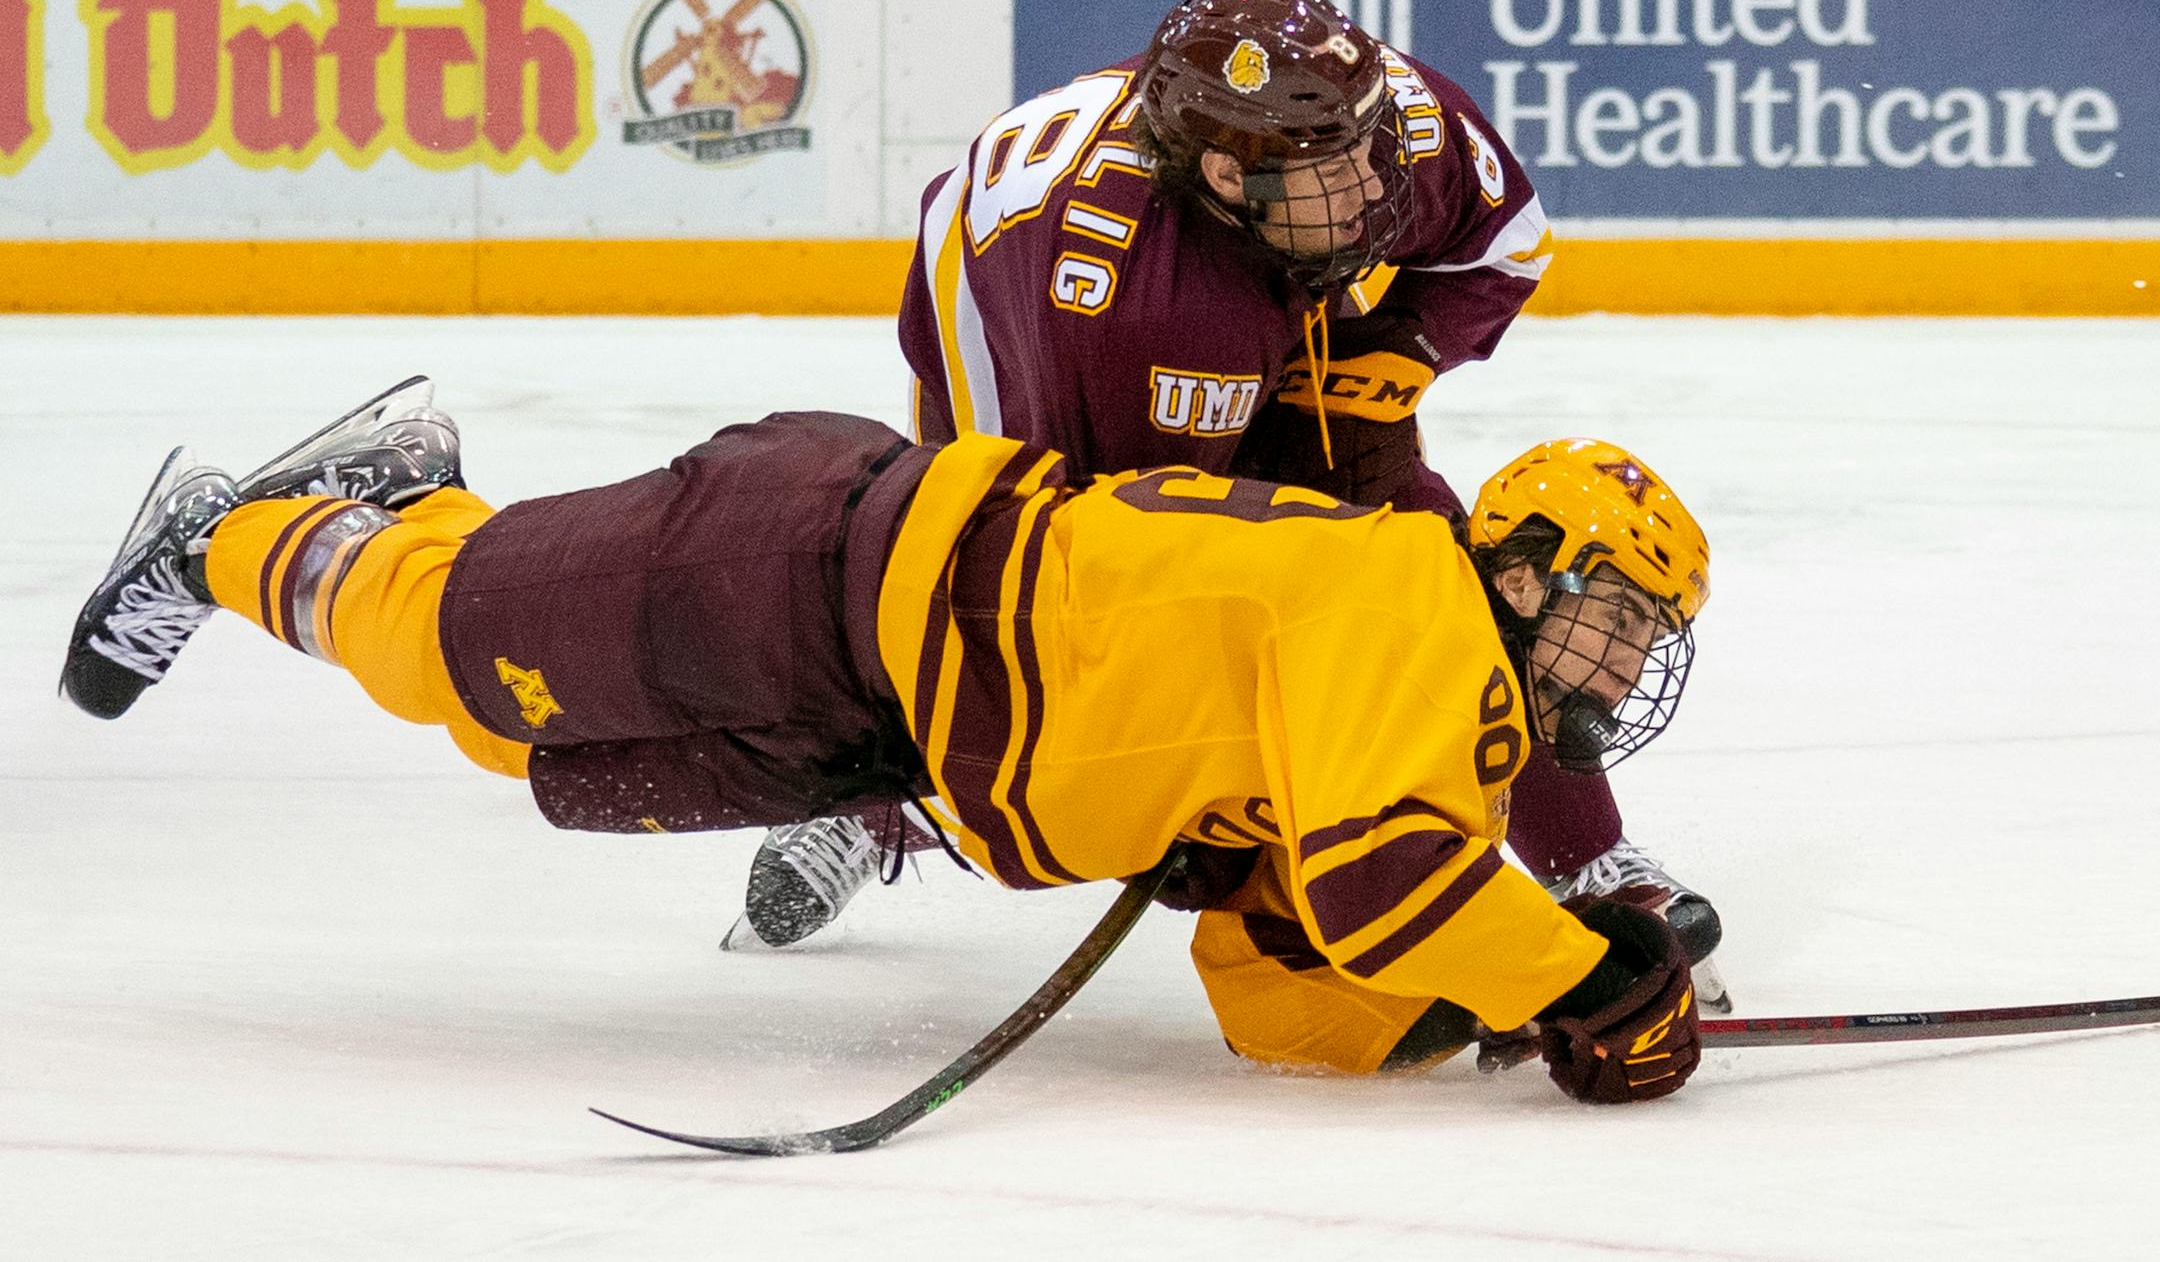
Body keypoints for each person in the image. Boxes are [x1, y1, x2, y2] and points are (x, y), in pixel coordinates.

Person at [62, 378, 1711, 1099]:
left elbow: (1295, 993)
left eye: (1648, 635)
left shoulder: (1429, 704)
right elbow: (1392, 894)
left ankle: (415, 506)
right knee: (462, 663)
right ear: (1520, 565)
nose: (1627, 658)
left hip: (863, 710)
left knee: (541, 756)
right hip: (805, 574)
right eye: (1617, 612)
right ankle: (240, 531)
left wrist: (1491, 1019)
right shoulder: (1405, 605)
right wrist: (1585, 980)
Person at [739, 0, 1728, 1007]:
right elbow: (1101, 584)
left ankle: (1582, 855)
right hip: (1031, 360)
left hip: (1260, 311)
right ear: (1223, 173)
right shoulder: (1136, 312)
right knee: (992, 638)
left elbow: (1504, 243)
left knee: (1437, 584)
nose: (1371, 191)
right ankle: (879, 795)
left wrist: (1398, 345)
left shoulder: (1387, 132)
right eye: (1331, 171)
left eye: (1367, 143)